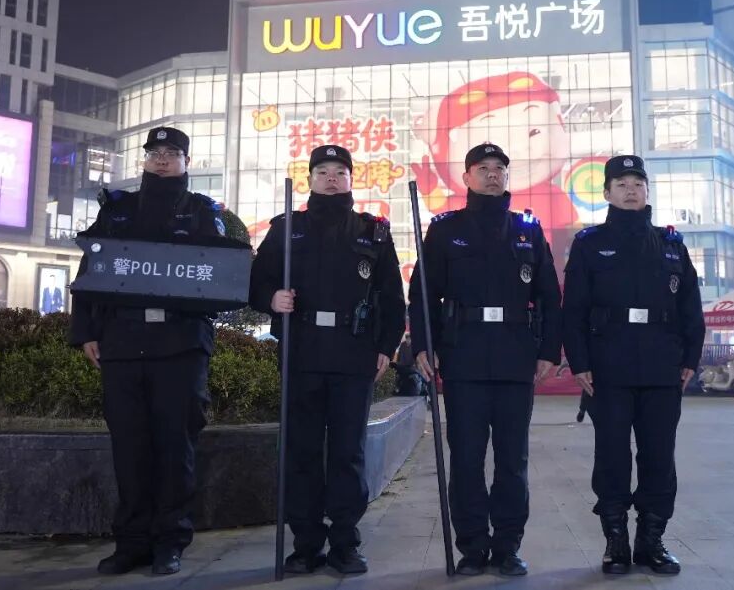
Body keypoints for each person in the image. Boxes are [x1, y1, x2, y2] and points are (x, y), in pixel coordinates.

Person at [69, 126, 226, 577]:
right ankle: (132, 542)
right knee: (130, 448)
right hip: (122, 342)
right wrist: (86, 331)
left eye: (172, 153)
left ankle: (169, 542)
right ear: (144, 160)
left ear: (186, 162)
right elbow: (91, 268)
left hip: (180, 346)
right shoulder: (117, 210)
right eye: (154, 152)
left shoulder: (203, 211)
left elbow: (222, 274)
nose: (162, 159)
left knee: (176, 448)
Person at [248, 144, 406, 576]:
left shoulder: (373, 232)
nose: (331, 179)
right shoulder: (286, 229)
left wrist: (386, 347)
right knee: (300, 451)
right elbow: (254, 283)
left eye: (339, 172)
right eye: (323, 172)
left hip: (353, 354)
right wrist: (271, 299)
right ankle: (305, 544)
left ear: (351, 179)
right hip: (301, 352)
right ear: (310, 180)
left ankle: (344, 543)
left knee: (347, 453)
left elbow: (392, 298)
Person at [409, 142, 563, 577]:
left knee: (513, 460)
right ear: (467, 177)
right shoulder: (445, 229)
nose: (493, 174)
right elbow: (422, 294)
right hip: (464, 357)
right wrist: (423, 345)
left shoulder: (527, 230)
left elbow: (549, 296)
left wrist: (549, 351)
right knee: (466, 459)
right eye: (483, 168)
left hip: (515, 357)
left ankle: (508, 546)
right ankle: (473, 547)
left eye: (499, 168)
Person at [562, 155, 705, 576]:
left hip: (662, 366)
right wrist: (579, 361)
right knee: (612, 455)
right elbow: (573, 310)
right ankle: (616, 541)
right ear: (606, 193)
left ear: (647, 191)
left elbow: (691, 308)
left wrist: (690, 358)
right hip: (608, 366)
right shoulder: (590, 243)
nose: (630, 190)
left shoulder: (671, 245)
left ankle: (651, 540)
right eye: (621, 184)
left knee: (659, 455)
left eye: (637, 183)